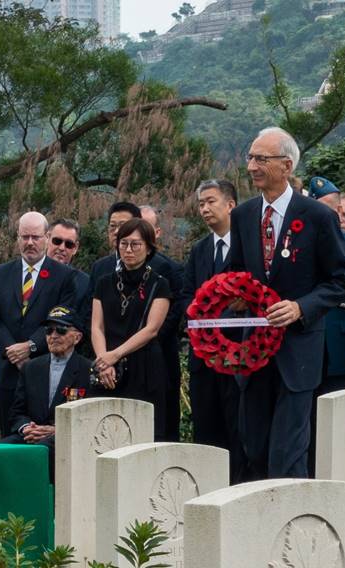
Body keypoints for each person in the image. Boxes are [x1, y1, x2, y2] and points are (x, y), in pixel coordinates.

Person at [228, 127, 345, 480]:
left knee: (289, 450)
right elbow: (235, 273)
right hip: (253, 352)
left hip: (298, 351)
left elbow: (341, 281)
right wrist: (233, 296)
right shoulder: (243, 215)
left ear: (286, 165)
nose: (251, 166)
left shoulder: (317, 216)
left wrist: (301, 307)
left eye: (260, 159)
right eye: (250, 158)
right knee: (254, 446)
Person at [0, 211, 77, 437]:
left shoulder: (63, 275)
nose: (30, 243)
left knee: (40, 436)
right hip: (8, 370)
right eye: (24, 237)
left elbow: (63, 318)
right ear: (17, 238)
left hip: (44, 367)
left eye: (35, 237)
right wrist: (12, 351)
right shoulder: (2, 273)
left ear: (46, 237)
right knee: (9, 436)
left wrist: (30, 346)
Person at [306, 176, 345, 476]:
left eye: (342, 213)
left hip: (342, 350)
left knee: (342, 423)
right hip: (308, 348)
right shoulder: (303, 240)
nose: (337, 218)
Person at [181, 179, 244, 479]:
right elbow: (186, 295)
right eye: (201, 203)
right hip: (204, 358)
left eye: (211, 201)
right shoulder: (200, 250)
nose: (205, 209)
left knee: (238, 429)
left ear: (230, 204)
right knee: (206, 429)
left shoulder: (248, 244)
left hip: (240, 355)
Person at [91, 218, 171, 439]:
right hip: (108, 368)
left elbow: (151, 329)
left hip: (144, 365)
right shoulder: (104, 282)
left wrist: (114, 356)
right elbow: (97, 326)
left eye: (135, 244)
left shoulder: (159, 283)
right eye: (123, 243)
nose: (128, 250)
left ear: (148, 248)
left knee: (145, 434)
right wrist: (103, 361)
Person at [0, 306, 91, 479]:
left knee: (41, 451)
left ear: (77, 337)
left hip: (67, 440)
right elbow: (17, 412)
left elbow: (89, 419)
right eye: (49, 331)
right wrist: (27, 428)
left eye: (61, 330)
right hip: (31, 436)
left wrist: (56, 430)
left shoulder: (88, 370)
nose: (54, 336)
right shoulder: (31, 367)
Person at [140, 205, 185, 441]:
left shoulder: (169, 268)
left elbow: (176, 310)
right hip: (123, 358)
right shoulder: (111, 269)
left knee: (163, 425)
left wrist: (150, 337)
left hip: (160, 353)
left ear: (157, 233)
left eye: (146, 228)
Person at [47, 219, 89, 312]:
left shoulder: (85, 283)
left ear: (75, 248)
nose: (62, 248)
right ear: (47, 239)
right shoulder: (29, 274)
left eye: (69, 244)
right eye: (57, 241)